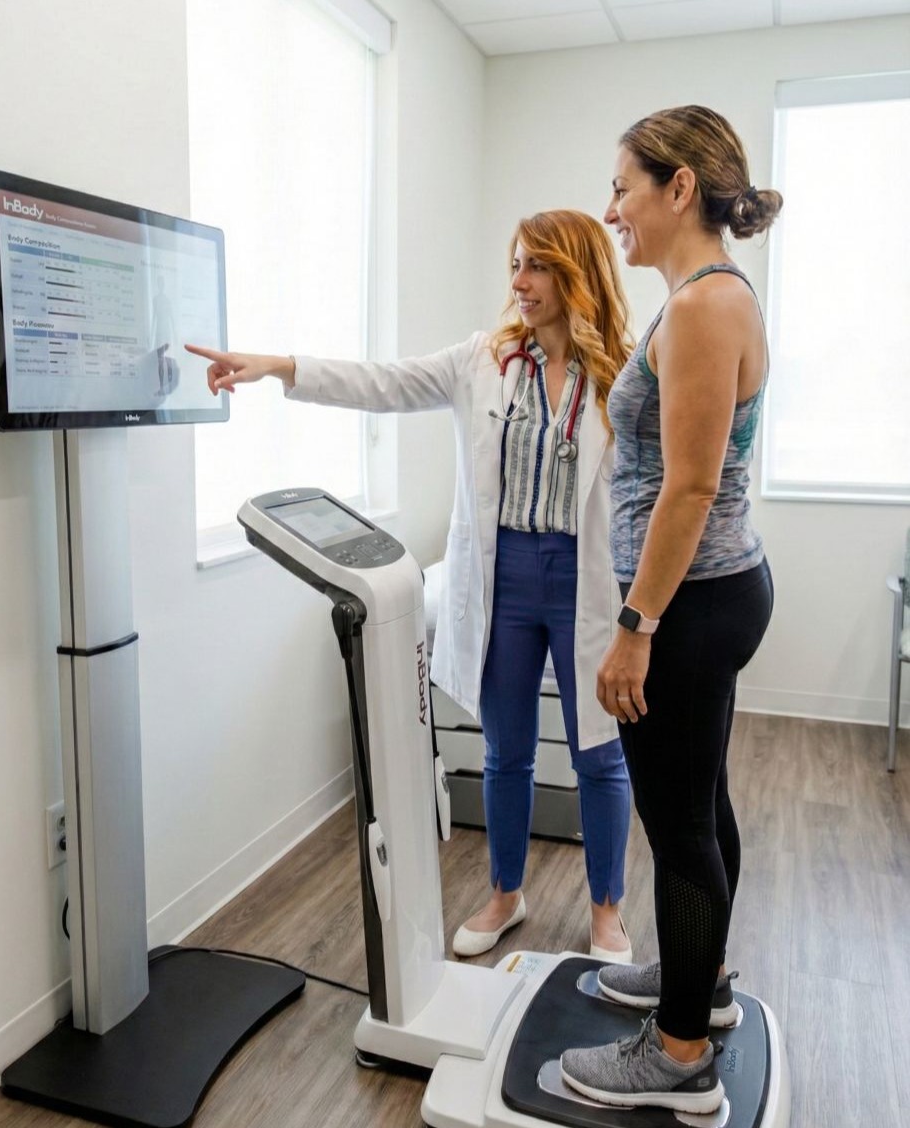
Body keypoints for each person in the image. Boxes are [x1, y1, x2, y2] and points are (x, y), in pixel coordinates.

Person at [186, 210, 637, 962]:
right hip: (503, 578)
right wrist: (279, 366)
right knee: (506, 751)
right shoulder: (483, 360)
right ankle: (506, 894)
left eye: (536, 266)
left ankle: (606, 911)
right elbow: (384, 383)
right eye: (515, 265)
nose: (519, 282)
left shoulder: (621, 374)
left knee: (599, 752)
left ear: (575, 272)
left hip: (583, 579)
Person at [558, 107, 782, 1114]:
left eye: (622, 188)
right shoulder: (697, 298)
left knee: (678, 823)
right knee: (701, 807)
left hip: (687, 605)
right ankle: (704, 981)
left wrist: (634, 629)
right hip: (707, 595)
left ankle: (681, 1054)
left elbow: (689, 489)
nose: (611, 210)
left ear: (679, 187)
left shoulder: (703, 305)